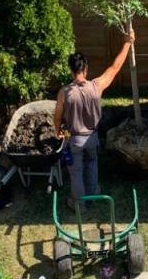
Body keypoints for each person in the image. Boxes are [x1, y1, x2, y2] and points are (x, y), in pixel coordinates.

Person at [54, 29, 136, 210]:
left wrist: (59, 132)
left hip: (74, 139)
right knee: (91, 164)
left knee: (76, 173)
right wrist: (127, 43)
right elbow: (114, 68)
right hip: (92, 138)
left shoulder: (64, 92)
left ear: (71, 70)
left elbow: (57, 118)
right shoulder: (96, 86)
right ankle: (91, 196)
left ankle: (80, 205)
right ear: (85, 68)